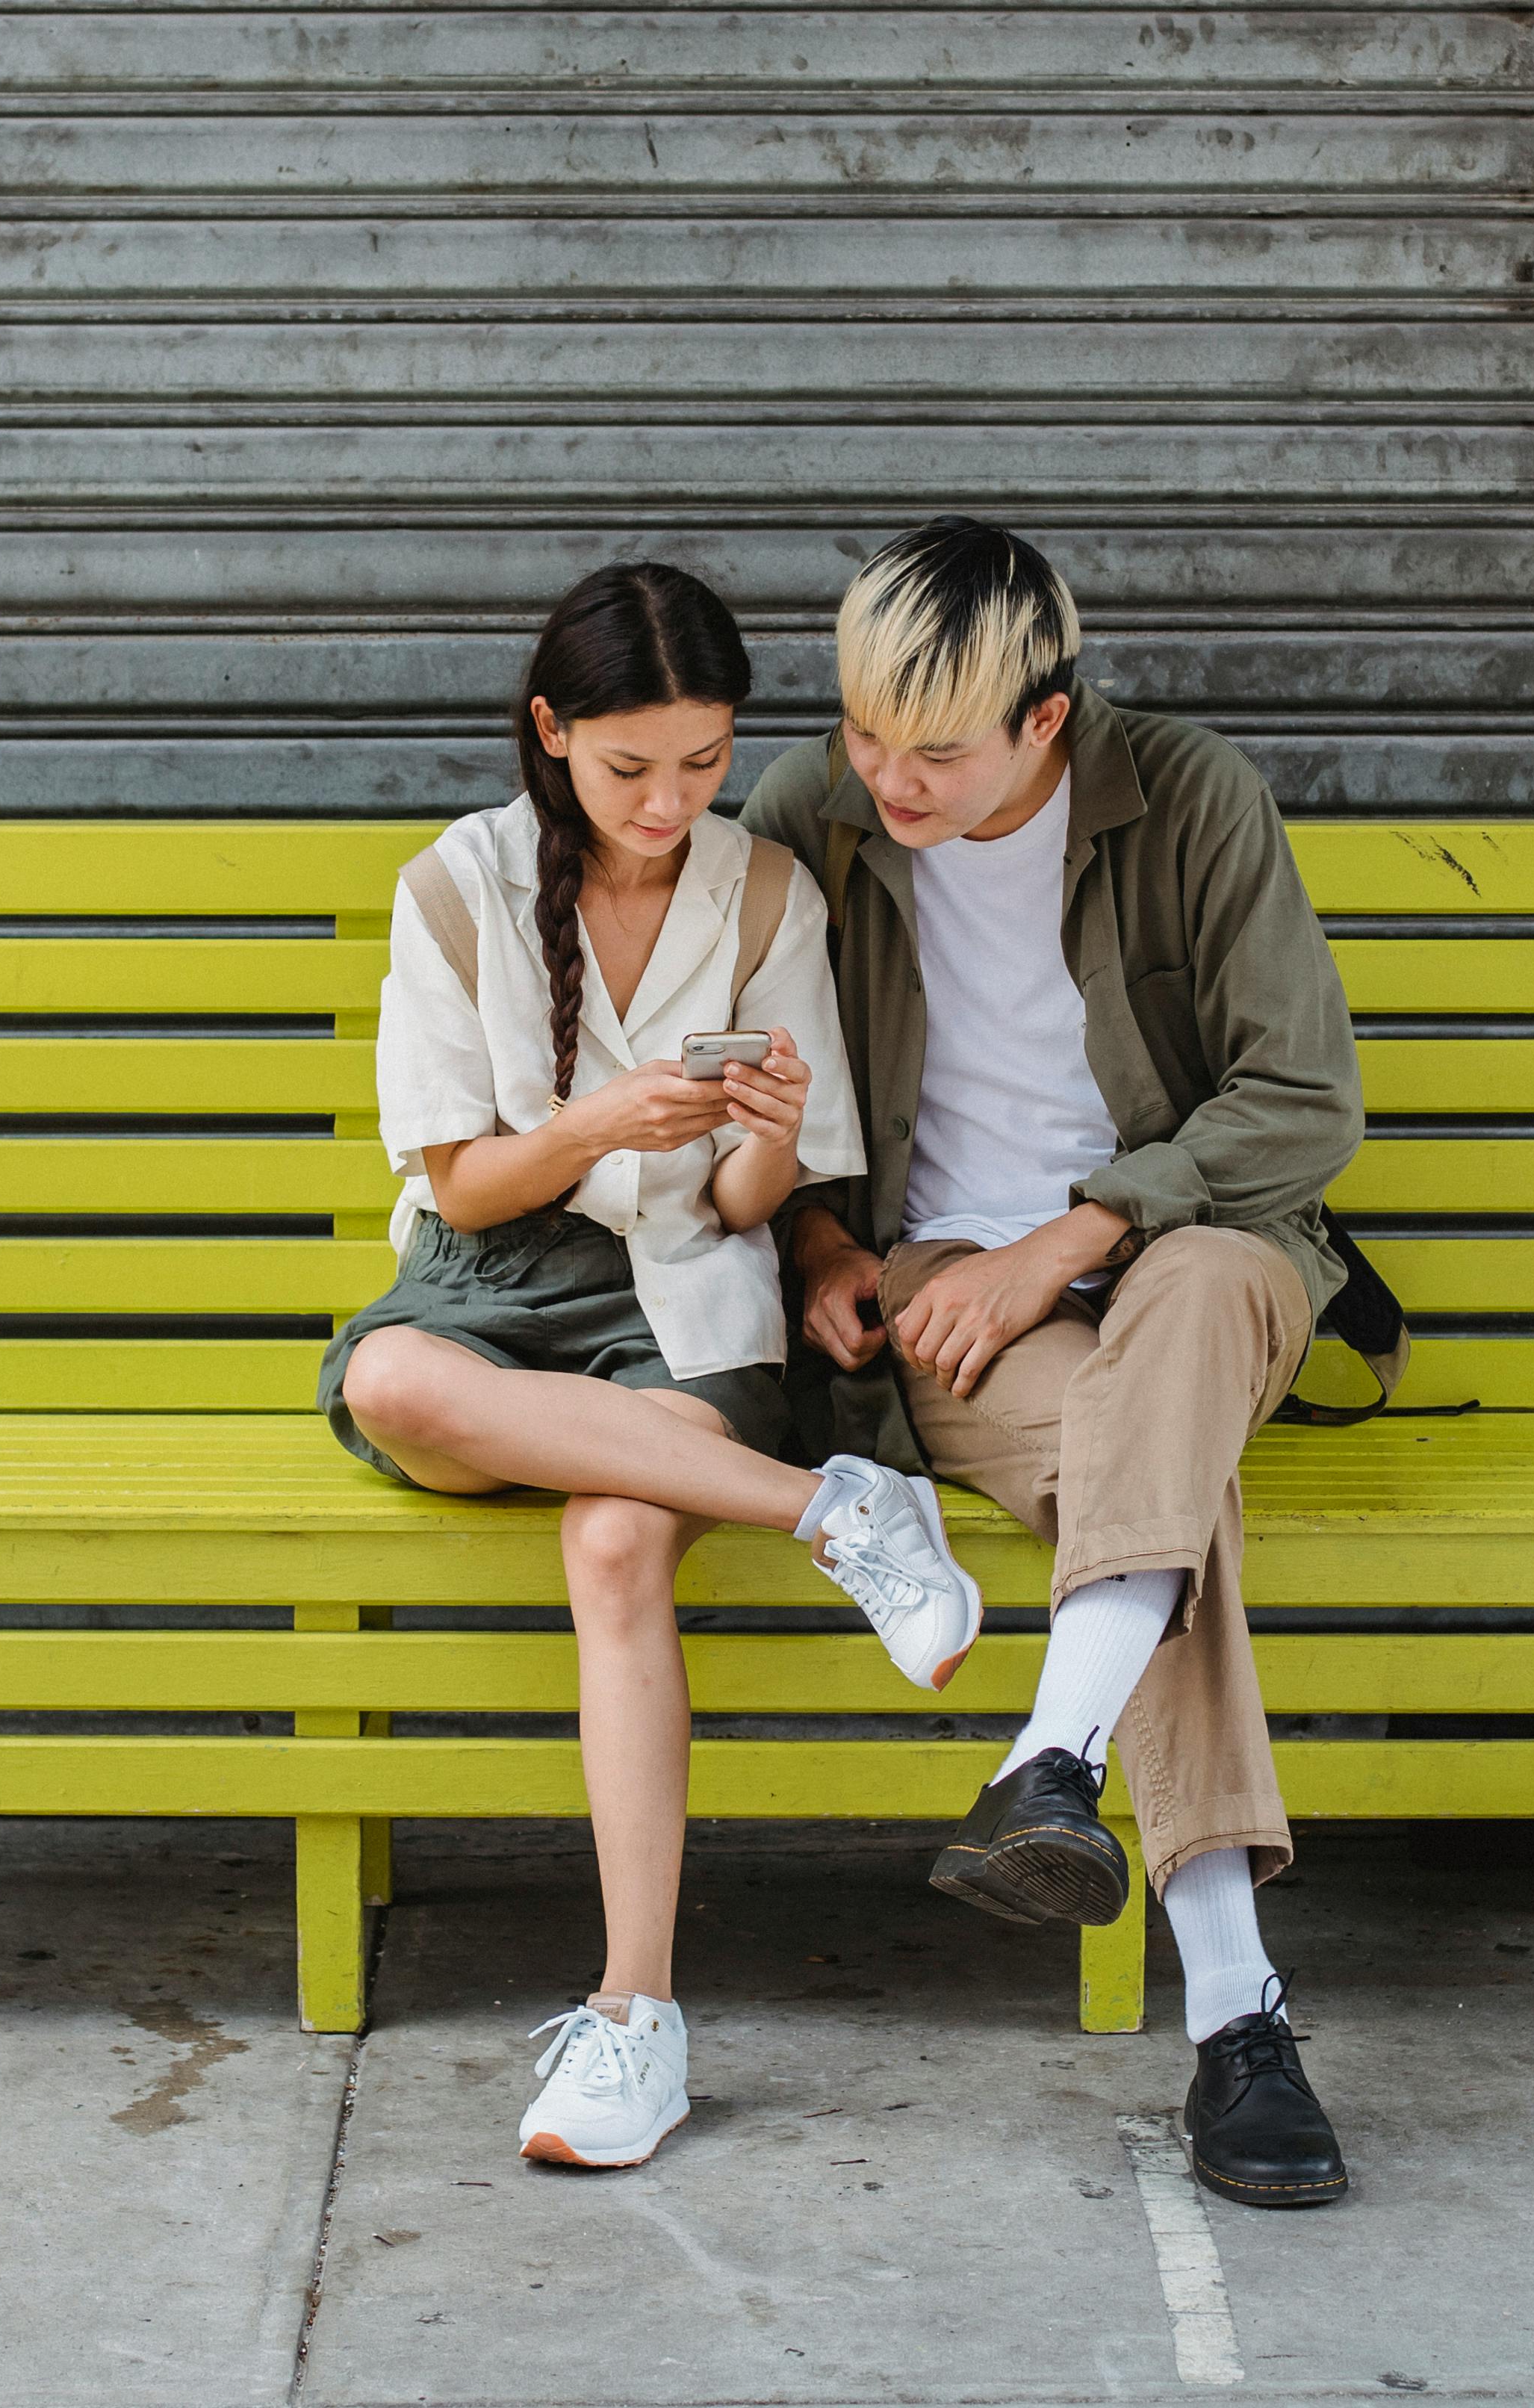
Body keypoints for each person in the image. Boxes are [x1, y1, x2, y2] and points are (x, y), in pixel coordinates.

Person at [321, 562, 989, 2173]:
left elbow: (766, 1205)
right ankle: (834, 1508)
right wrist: (592, 1126)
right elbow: (461, 1183)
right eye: (631, 767)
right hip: (493, 1275)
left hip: (687, 1289)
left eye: (703, 760)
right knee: (390, 1384)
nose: (671, 799)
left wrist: (761, 1144)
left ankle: (636, 2018)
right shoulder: (457, 887)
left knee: (614, 1537)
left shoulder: (766, 892)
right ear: (551, 734)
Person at [742, 520, 1361, 2208]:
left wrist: (1074, 1239)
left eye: (934, 749)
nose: (888, 777)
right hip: (941, 1288)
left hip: (1194, 1254)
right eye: (865, 733)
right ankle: (1236, 2011)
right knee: (1153, 1500)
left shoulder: (1190, 796)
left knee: (1198, 1298)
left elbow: (1303, 1106)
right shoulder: (811, 814)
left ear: (1051, 718)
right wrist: (817, 1245)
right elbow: (740, 1087)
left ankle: (1060, 1761)